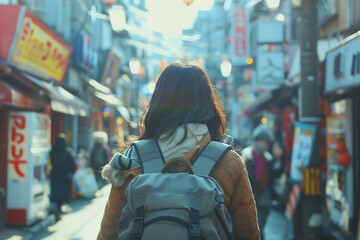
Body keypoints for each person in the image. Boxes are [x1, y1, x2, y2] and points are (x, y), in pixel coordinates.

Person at [97, 62, 260, 240]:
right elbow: (248, 232)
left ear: (158, 102)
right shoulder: (229, 161)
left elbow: (109, 232)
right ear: (207, 102)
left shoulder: (132, 160)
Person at [241, 124, 283, 239]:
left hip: (265, 199)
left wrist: (280, 159)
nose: (264, 144)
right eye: (262, 141)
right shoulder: (245, 156)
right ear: (256, 140)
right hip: (250, 198)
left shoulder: (268, 158)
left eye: (267, 142)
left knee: (262, 225)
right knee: (256, 227)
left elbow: (273, 176)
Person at [49, 133, 76, 221]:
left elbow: (49, 164)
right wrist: (70, 172)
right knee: (62, 194)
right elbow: (73, 165)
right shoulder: (67, 152)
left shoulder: (52, 151)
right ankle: (58, 210)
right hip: (65, 177)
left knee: (56, 194)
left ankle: (57, 210)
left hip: (55, 176)